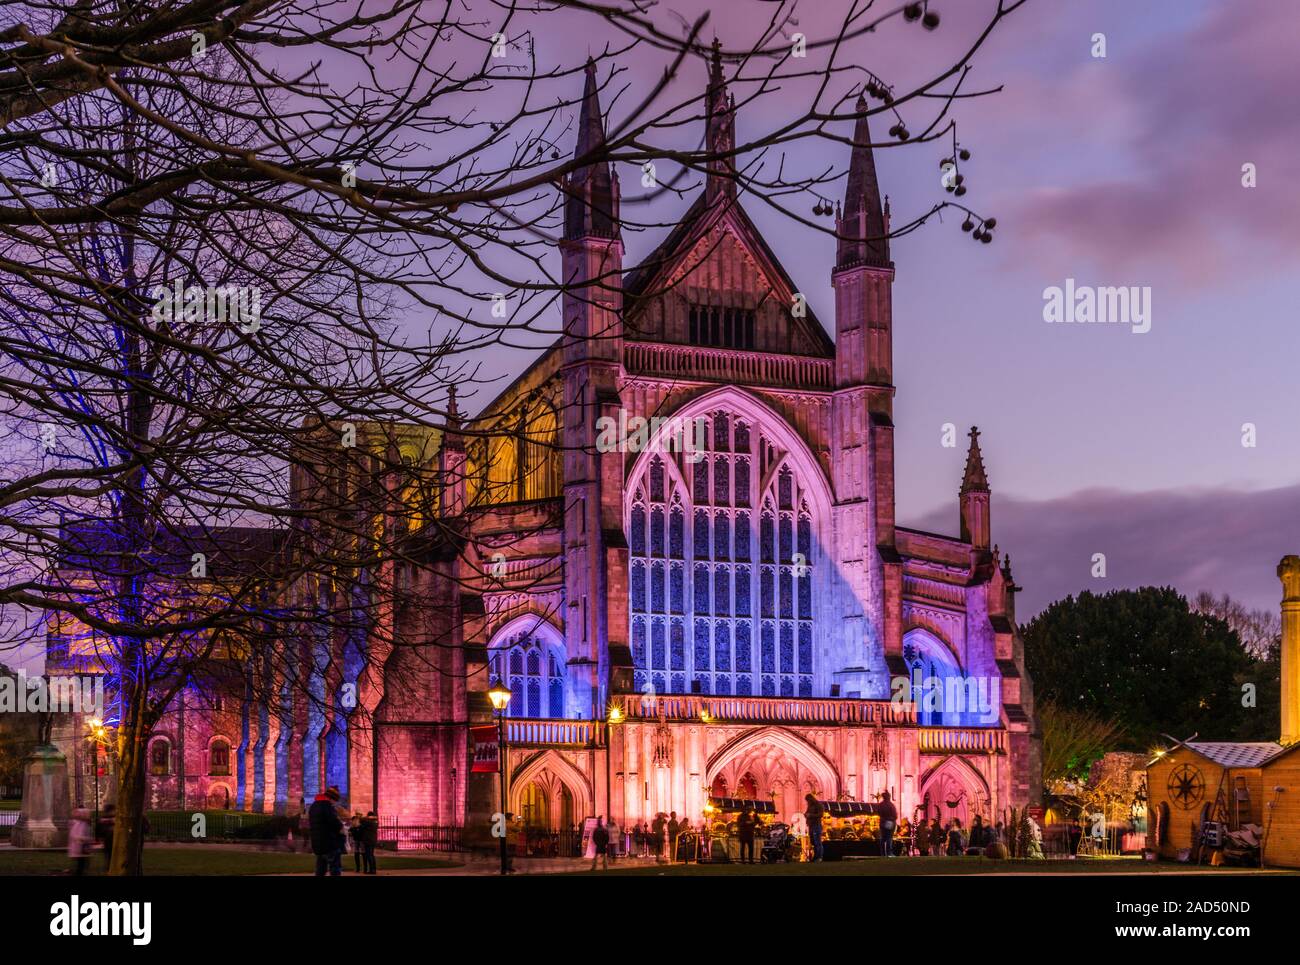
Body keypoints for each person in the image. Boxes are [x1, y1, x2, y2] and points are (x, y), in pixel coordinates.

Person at [309, 786, 345, 876]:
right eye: (334, 800)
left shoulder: (314, 806)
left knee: (320, 869)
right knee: (335, 869)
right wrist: (341, 826)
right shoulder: (327, 806)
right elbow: (335, 824)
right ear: (331, 798)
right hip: (330, 843)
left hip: (318, 844)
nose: (334, 803)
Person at [68, 808, 93, 876]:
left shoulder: (83, 824)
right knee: (81, 863)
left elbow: (80, 834)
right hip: (81, 847)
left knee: (81, 863)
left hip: (82, 847)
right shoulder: (79, 824)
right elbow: (74, 834)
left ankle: (79, 872)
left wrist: (82, 839)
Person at [804, 793, 825, 862]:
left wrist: (811, 815)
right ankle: (815, 856)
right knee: (813, 842)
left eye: (808, 800)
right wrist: (806, 814)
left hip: (816, 825)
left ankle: (819, 857)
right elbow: (807, 812)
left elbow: (821, 814)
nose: (807, 802)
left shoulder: (818, 805)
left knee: (817, 842)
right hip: (811, 825)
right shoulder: (810, 806)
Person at [877, 791, 898, 858]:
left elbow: (878, 813)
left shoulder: (880, 805)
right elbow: (895, 815)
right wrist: (892, 819)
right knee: (889, 837)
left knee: (883, 838)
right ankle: (889, 852)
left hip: (882, 822)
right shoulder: (890, 805)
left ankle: (882, 853)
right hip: (890, 822)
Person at [97, 803, 116, 872]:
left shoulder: (102, 818)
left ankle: (108, 868)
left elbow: (98, 829)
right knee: (110, 855)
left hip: (107, 840)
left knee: (108, 855)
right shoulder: (115, 818)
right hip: (111, 840)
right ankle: (110, 868)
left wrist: (99, 838)